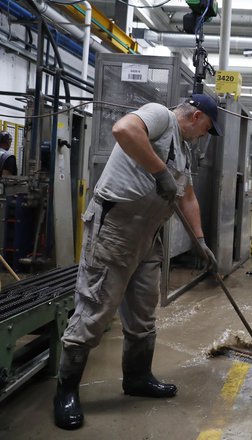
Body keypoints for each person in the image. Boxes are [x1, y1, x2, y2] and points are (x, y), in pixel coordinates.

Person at [53, 94, 221, 430]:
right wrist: (159, 172)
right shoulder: (160, 116)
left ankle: (138, 377)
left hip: (148, 235)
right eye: (206, 128)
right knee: (95, 309)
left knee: (144, 313)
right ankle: (66, 392)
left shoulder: (184, 150)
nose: (205, 135)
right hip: (116, 229)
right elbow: (124, 129)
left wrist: (200, 241)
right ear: (196, 116)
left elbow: (186, 195)